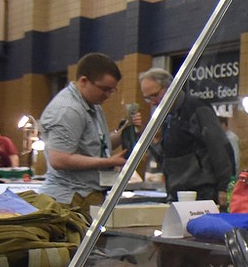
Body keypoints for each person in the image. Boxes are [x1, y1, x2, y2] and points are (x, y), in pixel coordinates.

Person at [39, 53, 129, 214]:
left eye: (112, 90)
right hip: (70, 200)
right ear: (84, 81)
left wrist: (126, 132)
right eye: (105, 89)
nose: (108, 95)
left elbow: (98, 145)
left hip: (87, 195)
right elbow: (59, 159)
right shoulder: (68, 110)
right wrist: (107, 162)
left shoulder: (93, 106)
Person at [137, 68, 235, 206]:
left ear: (170, 87)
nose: (153, 102)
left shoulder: (197, 108)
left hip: (203, 193)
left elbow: (219, 148)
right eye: (147, 98)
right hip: (178, 193)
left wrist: (224, 188)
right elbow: (166, 157)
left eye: (155, 95)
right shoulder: (166, 117)